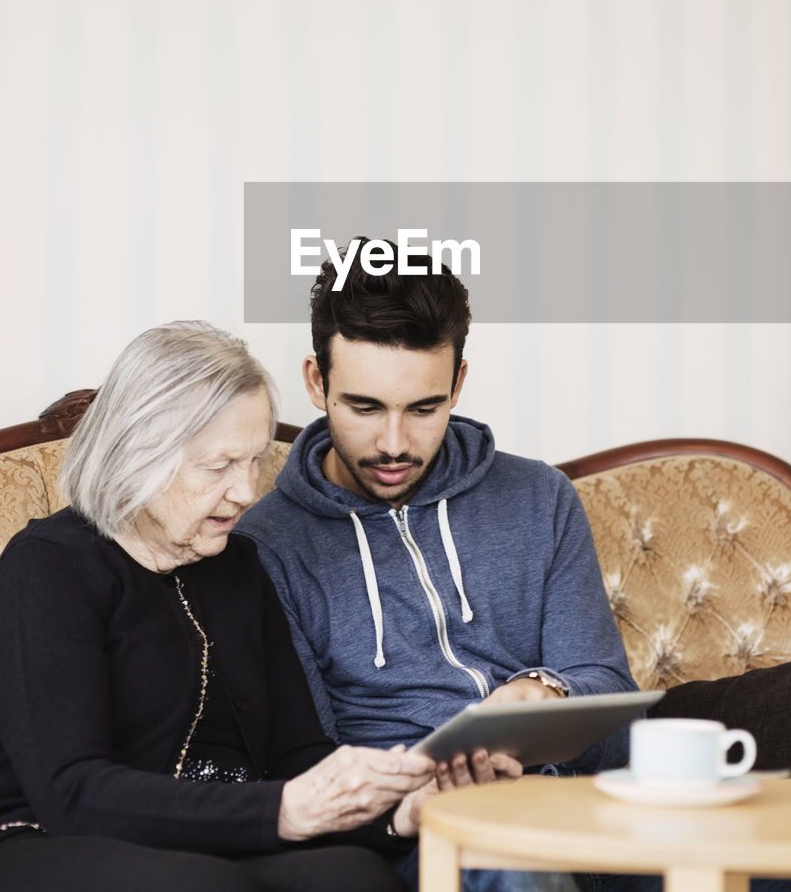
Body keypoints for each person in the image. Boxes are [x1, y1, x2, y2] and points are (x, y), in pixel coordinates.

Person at [0, 321, 438, 892]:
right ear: (137, 453)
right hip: (32, 840)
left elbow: (298, 755)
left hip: (213, 838)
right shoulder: (50, 567)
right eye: (218, 465)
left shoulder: (239, 568)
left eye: (253, 460)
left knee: (353, 877)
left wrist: (396, 816)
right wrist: (280, 811)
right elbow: (72, 791)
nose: (247, 491)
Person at [237, 241, 637, 890]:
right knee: (508, 865)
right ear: (317, 383)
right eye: (364, 407)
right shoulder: (264, 548)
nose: (393, 444)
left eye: (423, 408)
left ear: (457, 383)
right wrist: (424, 784)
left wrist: (546, 693)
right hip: (424, 832)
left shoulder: (539, 498)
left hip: (578, 806)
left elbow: (615, 705)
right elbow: (306, 762)